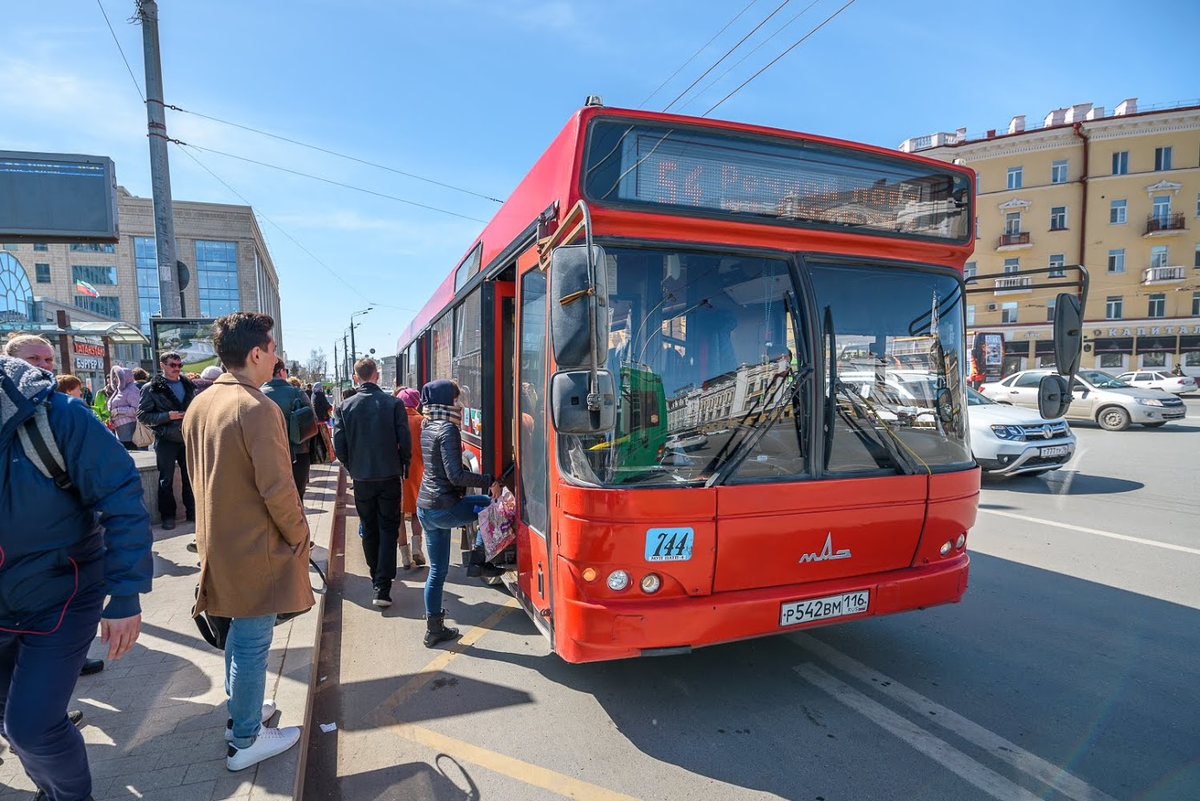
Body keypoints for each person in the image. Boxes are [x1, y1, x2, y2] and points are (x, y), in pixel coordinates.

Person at [0, 355, 152, 801]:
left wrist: (125, 595)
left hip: (61, 596)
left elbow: (122, 498)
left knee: (30, 727)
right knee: (10, 716)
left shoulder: (55, 417)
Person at [184, 312, 313, 773]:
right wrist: (302, 536)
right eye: (273, 348)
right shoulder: (257, 408)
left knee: (239, 636)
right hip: (256, 547)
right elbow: (278, 489)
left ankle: (243, 712)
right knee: (254, 641)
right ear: (256, 353)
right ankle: (245, 739)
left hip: (218, 542)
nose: (276, 355)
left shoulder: (203, 403)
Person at [415, 379, 501, 647]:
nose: (459, 404)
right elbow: (455, 475)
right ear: (445, 401)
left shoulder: (428, 425)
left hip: (426, 510)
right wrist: (490, 481)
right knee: (488, 506)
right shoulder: (448, 430)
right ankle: (478, 559)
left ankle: (434, 629)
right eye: (455, 398)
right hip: (445, 508)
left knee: (437, 571)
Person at [333, 358, 411, 609]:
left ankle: (375, 576)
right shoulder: (393, 403)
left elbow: (339, 446)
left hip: (363, 478)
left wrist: (352, 467)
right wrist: (403, 465)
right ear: (376, 375)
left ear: (356, 378)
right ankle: (382, 585)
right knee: (388, 528)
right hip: (389, 476)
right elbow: (405, 441)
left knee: (369, 527)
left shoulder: (345, 406)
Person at [137, 351, 197, 530]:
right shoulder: (151, 388)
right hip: (166, 438)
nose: (177, 369)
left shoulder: (187, 385)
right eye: (173, 365)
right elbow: (142, 415)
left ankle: (192, 511)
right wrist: (167, 416)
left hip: (186, 437)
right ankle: (168, 516)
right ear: (163, 365)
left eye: (179, 366)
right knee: (166, 480)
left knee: (190, 477)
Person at [262, 358, 316, 500]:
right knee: (297, 496)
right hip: (298, 452)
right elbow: (312, 420)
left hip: (268, 455)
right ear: (280, 372)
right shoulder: (297, 392)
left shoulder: (257, 393)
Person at [398, 387, 427, 569]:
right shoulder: (423, 421)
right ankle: (417, 549)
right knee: (417, 512)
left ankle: (405, 556)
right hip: (419, 472)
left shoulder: (394, 420)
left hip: (399, 473)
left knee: (399, 515)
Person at [107, 366, 142, 450]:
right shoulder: (119, 390)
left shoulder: (132, 390)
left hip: (128, 427)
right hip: (118, 427)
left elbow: (136, 410)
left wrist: (118, 411)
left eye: (118, 377)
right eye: (114, 376)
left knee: (129, 449)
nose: (115, 379)